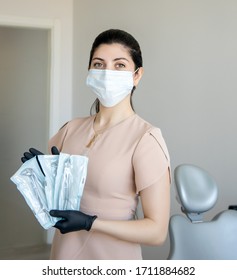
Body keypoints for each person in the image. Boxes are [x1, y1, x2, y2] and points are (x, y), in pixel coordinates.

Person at [23, 29, 171, 260]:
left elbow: (156, 232)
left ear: (137, 75)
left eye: (119, 65)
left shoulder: (146, 139)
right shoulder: (69, 130)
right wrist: (41, 181)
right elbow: (54, 210)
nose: (107, 73)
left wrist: (90, 223)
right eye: (99, 64)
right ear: (90, 71)